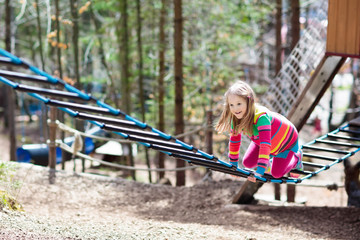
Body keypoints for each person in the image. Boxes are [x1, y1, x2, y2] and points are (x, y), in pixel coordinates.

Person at [215, 80, 303, 182]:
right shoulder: (235, 118)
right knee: (247, 163)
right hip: (263, 141)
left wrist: (260, 172)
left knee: (276, 174)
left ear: (249, 102)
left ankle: (297, 158)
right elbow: (234, 142)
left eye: (239, 104)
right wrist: (233, 167)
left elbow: (265, 145)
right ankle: (268, 163)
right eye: (231, 105)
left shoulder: (261, 117)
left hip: (285, 143)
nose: (235, 109)